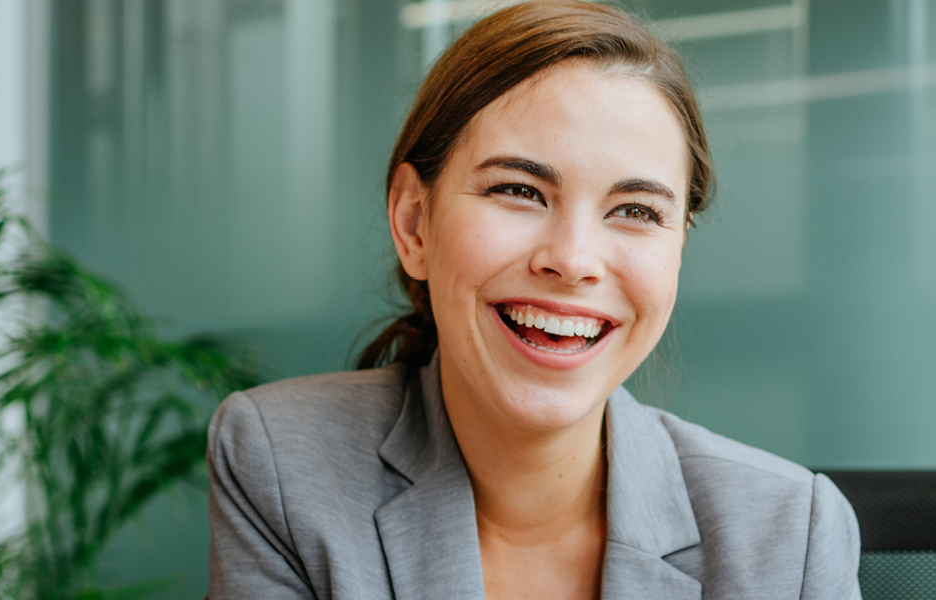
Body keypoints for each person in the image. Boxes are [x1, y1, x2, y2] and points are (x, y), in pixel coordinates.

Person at [204, 2, 862, 598]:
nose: (573, 260)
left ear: (679, 249)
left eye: (635, 210)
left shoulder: (790, 535)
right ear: (414, 223)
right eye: (518, 191)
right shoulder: (283, 465)